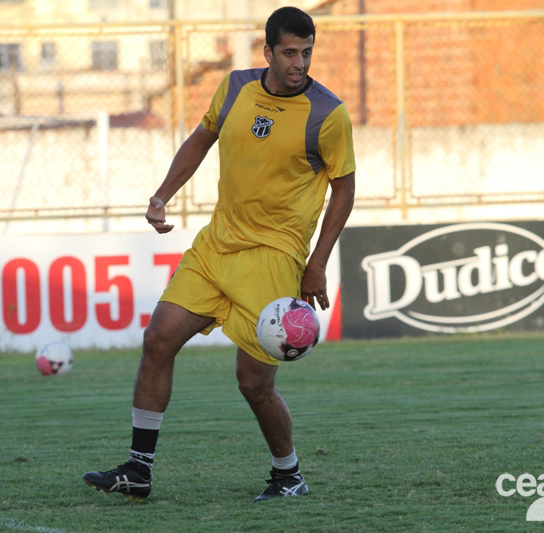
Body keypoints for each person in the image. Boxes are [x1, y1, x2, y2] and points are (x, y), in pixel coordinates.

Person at [83, 6, 355, 502]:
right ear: (267, 51)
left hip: (274, 258)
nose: (299, 63)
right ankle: (138, 470)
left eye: (307, 53)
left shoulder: (328, 115)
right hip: (216, 245)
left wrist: (316, 263)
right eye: (290, 53)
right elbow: (202, 138)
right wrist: (163, 194)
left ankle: (288, 474)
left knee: (252, 383)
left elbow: (344, 190)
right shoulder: (234, 88)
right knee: (158, 338)